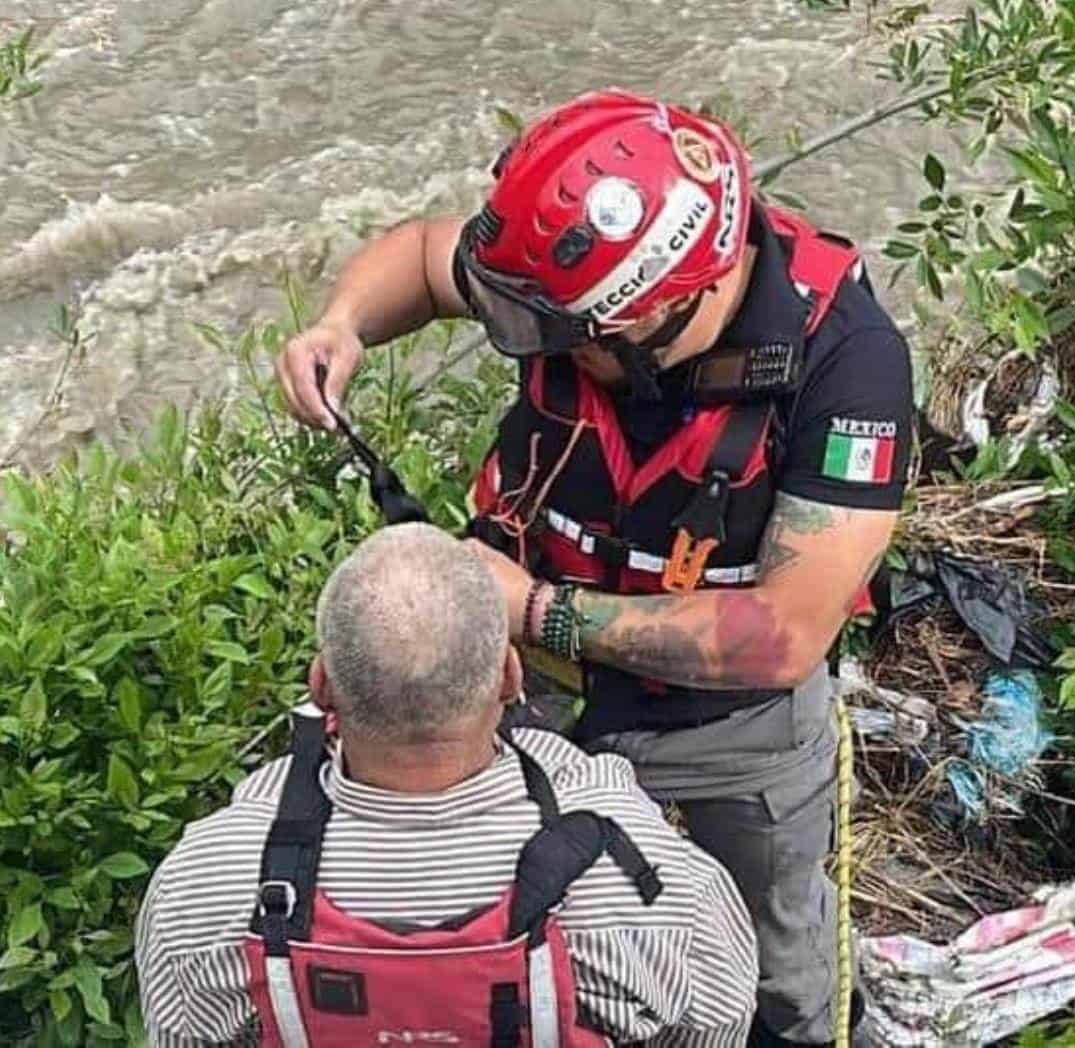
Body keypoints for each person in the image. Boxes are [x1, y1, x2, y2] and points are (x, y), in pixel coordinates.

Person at [276, 89, 912, 1046]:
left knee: (784, 961)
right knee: (518, 902)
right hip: (529, 694)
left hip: (724, 721)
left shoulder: (849, 366)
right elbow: (418, 256)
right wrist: (343, 326)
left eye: (564, 339)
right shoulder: (565, 280)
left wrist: (531, 609)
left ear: (669, 308)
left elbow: (782, 635)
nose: (542, 348)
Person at [136, 523, 758, 1045]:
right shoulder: (651, 888)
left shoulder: (204, 886)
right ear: (511, 676)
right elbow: (719, 1024)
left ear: (321, 686)